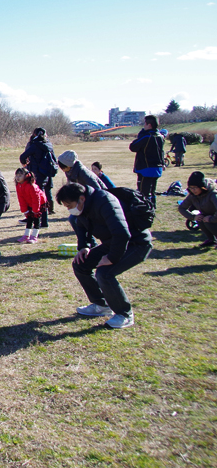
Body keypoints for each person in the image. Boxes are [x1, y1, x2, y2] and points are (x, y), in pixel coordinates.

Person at [56, 183, 153, 329]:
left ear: (81, 199)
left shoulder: (105, 201)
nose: (69, 209)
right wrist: (84, 247)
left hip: (136, 243)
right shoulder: (84, 207)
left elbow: (122, 233)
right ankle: (102, 305)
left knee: (105, 273)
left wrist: (111, 258)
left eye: (69, 205)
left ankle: (125, 314)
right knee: (81, 264)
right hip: (112, 242)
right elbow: (81, 226)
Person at [19, 127, 58, 214]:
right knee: (47, 190)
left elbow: (23, 156)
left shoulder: (34, 145)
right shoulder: (49, 144)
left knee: (37, 193)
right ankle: (50, 209)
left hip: (36, 172)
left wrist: (25, 163)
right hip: (47, 170)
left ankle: (39, 212)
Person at [129, 115, 166, 208]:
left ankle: (144, 209)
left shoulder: (147, 137)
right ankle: (152, 206)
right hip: (157, 167)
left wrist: (141, 133)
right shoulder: (160, 137)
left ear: (149, 125)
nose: (143, 126)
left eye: (144, 124)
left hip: (146, 167)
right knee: (152, 190)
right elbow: (161, 151)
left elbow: (133, 147)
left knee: (143, 192)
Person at [178, 172, 217, 249]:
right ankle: (211, 240)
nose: (193, 190)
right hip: (210, 216)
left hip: (215, 217)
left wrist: (212, 219)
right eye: (191, 188)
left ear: (202, 187)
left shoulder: (213, 194)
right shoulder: (192, 195)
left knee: (207, 220)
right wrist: (193, 217)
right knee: (200, 218)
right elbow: (181, 208)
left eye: (195, 187)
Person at [15, 168, 46, 244]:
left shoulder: (31, 186)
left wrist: (36, 210)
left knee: (36, 219)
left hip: (39, 204)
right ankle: (26, 235)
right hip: (30, 204)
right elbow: (21, 199)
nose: (18, 177)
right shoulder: (19, 186)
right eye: (16, 175)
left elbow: (36, 199)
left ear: (26, 176)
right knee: (29, 219)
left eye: (20, 175)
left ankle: (34, 236)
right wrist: (25, 210)